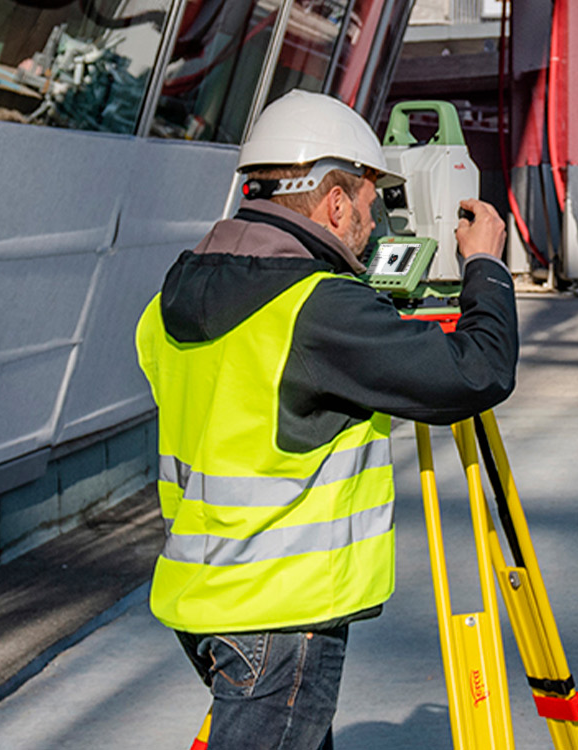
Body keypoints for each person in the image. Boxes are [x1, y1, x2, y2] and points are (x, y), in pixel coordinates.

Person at [135, 90, 519, 750]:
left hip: (203, 597)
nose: (376, 220)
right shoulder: (317, 311)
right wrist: (483, 264)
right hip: (281, 614)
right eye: (371, 201)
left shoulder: (172, 297)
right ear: (334, 202)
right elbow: (476, 370)